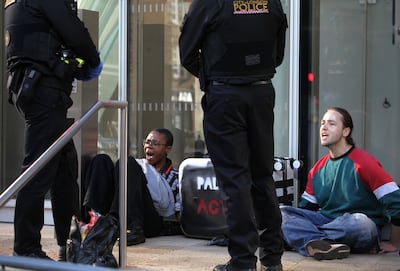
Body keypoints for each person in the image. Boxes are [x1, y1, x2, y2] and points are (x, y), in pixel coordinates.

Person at [179, 1, 288, 270]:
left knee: (234, 180)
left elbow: (187, 53)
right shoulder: (270, 1)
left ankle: (243, 262)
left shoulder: (208, 3)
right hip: (261, 92)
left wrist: (216, 74)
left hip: (225, 95)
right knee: (263, 176)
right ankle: (272, 259)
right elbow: (278, 53)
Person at [5, 0, 103, 261]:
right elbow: (73, 31)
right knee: (38, 169)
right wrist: (92, 60)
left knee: (64, 168)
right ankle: (26, 247)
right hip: (43, 90)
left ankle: (68, 241)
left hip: (37, 88)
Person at [281, 107, 400, 260]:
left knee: (361, 223)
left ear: (346, 132)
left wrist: (395, 243)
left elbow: (396, 202)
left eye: (331, 123)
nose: (323, 127)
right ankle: (322, 244)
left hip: (358, 226)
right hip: (327, 220)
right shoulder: (317, 170)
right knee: (282, 213)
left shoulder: (364, 163)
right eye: (322, 123)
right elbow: (305, 209)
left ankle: (305, 240)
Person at [83, 128, 181, 246]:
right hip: (120, 213)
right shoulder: (139, 165)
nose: (149, 146)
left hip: (149, 220)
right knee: (101, 160)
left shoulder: (176, 176)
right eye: (147, 142)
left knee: (126, 162)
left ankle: (134, 228)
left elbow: (178, 213)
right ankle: (97, 221)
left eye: (155, 143)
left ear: (167, 149)